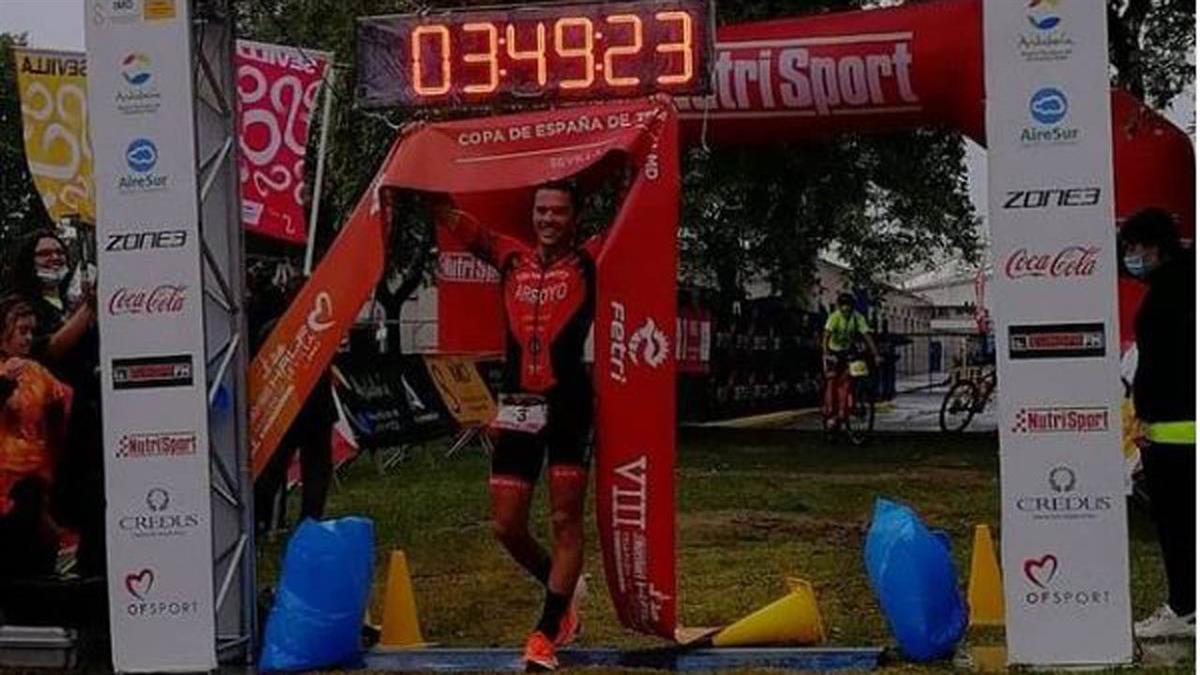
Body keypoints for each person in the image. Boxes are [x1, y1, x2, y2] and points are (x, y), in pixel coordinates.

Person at [437, 182, 597, 671]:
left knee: (565, 519)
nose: (548, 219)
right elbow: (459, 223)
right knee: (506, 525)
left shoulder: (590, 260)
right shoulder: (510, 257)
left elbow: (638, 215)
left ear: (574, 218)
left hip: (569, 404)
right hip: (519, 405)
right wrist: (423, 179)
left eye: (558, 211)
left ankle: (545, 634)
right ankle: (562, 591)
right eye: (541, 210)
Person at [8, 230, 104, 576]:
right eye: (45, 254)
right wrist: (89, 310)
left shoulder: (71, 298)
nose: (54, 259)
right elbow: (49, 350)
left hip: (84, 416)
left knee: (94, 499)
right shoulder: (21, 306)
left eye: (59, 252)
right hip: (40, 425)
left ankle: (91, 573)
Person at [1120, 208, 1195, 639]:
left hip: (1175, 433)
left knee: (1179, 527)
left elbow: (1168, 363)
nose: (1131, 257)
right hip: (1170, 429)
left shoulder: (1172, 292)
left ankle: (1185, 606)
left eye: (1135, 247)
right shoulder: (1179, 282)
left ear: (1156, 247)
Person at [0, 295, 72, 579]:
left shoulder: (36, 371)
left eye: (31, 331)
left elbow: (64, 404)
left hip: (35, 480)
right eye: (22, 331)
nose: (29, 338)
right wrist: (5, 384)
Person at [822, 292, 880, 427]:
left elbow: (867, 336)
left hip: (847, 350)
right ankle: (830, 412)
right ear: (839, 306)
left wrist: (876, 354)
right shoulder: (834, 317)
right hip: (833, 351)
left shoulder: (857, 318)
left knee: (848, 379)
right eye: (843, 305)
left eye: (848, 305)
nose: (845, 308)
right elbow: (826, 337)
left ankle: (846, 408)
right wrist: (826, 354)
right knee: (832, 381)